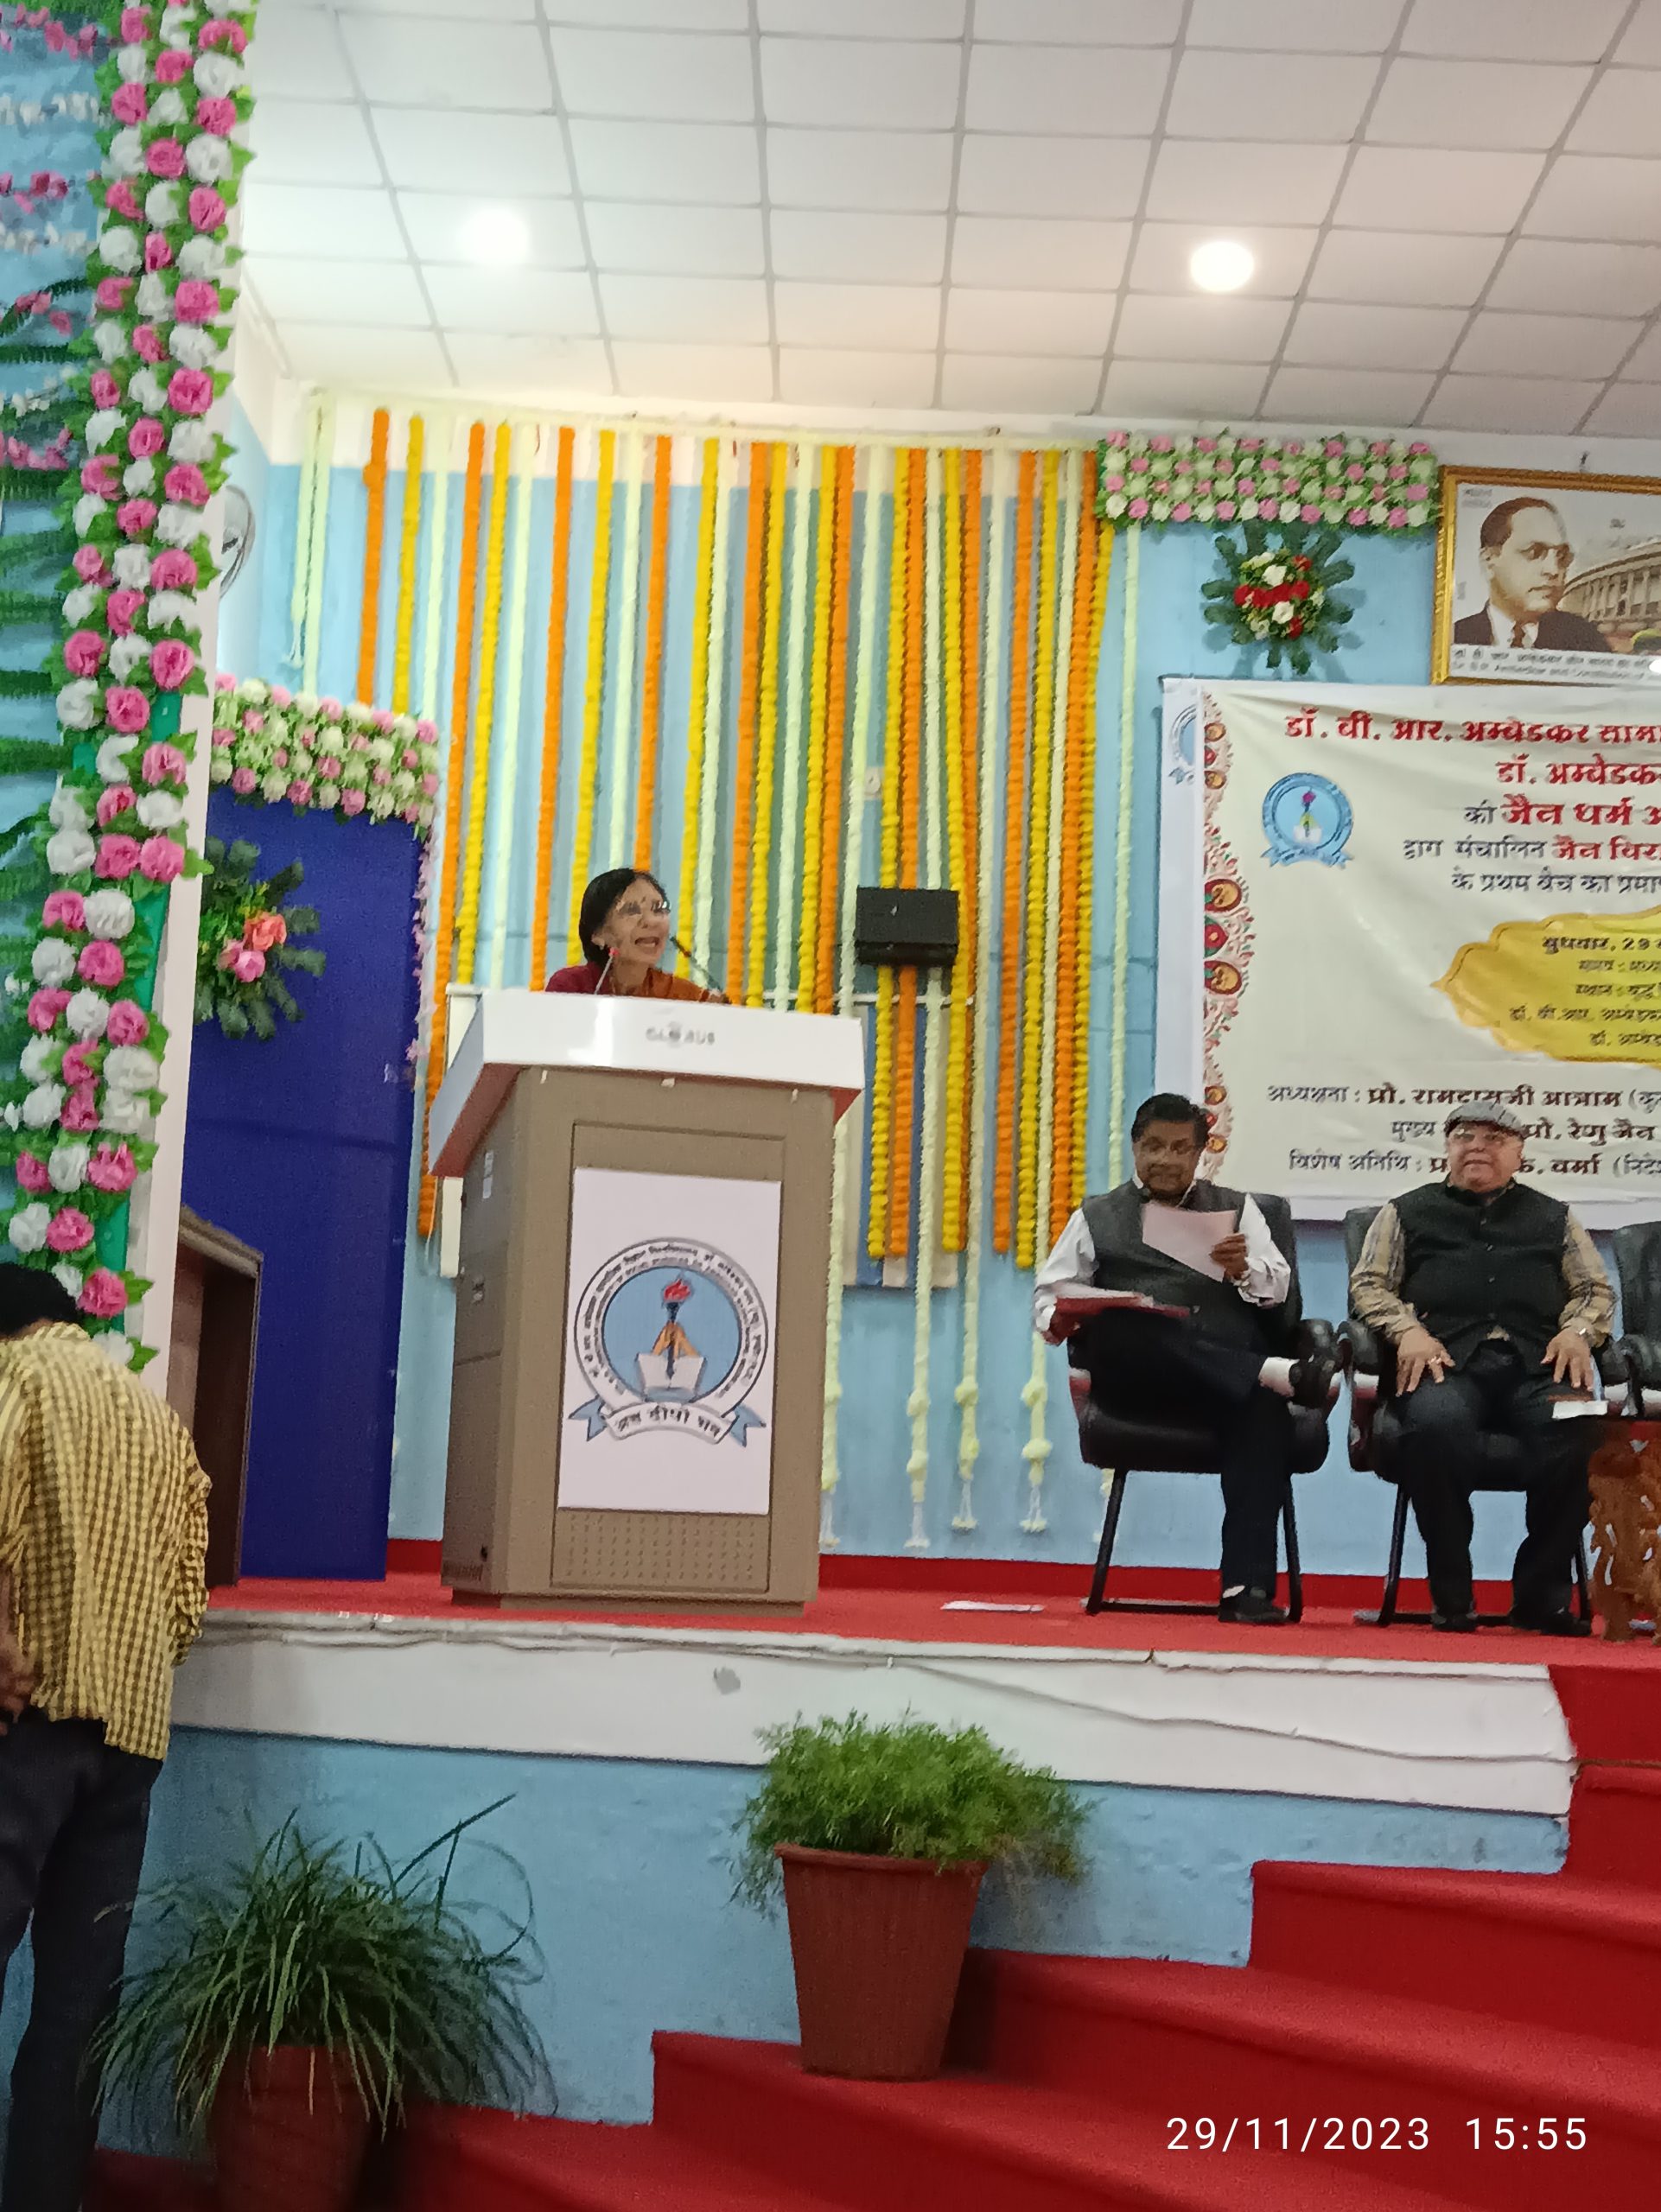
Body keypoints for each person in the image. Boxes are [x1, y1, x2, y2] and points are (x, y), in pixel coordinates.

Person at [0, 1266, 209, 2212]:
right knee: (79, 2008)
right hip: (130, 1740)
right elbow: (186, 1597)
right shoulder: (157, 1419)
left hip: (24, 1726)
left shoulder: (18, 1377)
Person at [1035, 1093, 1334, 1625]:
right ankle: (1273, 1375)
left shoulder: (1239, 1210)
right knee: (1125, 1324)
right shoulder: (1097, 1215)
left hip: (1223, 1386)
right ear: (1134, 1147)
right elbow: (1050, 1294)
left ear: (1201, 1154)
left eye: (1179, 1149)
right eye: (1153, 1147)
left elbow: (1280, 1298)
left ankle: (1246, 1590)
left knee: (1264, 1410)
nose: (1165, 1160)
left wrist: (1243, 1270)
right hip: (1139, 1382)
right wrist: (1057, 1320)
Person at [1350, 1100, 1613, 1637]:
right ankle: (1452, 1595)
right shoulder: (1405, 1212)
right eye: (1464, 1136)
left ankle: (1540, 1597)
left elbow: (1594, 1290)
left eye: (1493, 1138)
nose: (1477, 1146)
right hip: (1443, 1364)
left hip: (1538, 1367)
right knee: (1436, 1427)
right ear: (1447, 1149)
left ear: (1520, 1153)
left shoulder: (1555, 1217)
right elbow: (1369, 1285)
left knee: (1581, 1429)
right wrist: (1406, 1331)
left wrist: (1577, 1332)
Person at [1451, 497, 1610, 652]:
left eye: (1561, 556)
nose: (1553, 570)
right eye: (1534, 552)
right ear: (1489, 560)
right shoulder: (1454, 638)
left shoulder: (1586, 641)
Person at [545, 868, 723, 1001]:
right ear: (598, 934)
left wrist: (716, 1015)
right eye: (631, 910)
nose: (652, 921)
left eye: (658, 908)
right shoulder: (571, 987)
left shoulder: (684, 996)